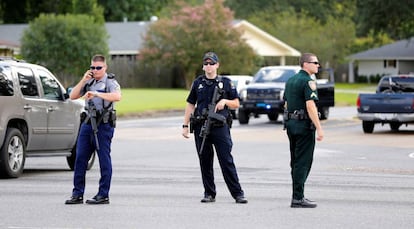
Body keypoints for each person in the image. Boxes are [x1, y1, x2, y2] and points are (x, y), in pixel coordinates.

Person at [182, 52, 247, 204]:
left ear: (217, 65)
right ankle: (209, 193)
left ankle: (238, 193)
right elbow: (190, 103)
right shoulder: (198, 83)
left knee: (226, 160)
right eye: (206, 64)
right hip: (201, 126)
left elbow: (237, 103)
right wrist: (185, 125)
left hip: (219, 127)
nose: (209, 66)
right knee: (205, 160)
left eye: (212, 63)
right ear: (203, 66)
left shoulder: (226, 82)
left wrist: (225, 101)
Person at [65, 54, 121, 205]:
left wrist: (97, 94)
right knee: (80, 159)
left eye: (98, 68)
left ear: (105, 67)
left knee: (104, 160)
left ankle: (103, 195)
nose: (95, 70)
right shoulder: (88, 81)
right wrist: (84, 80)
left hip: (103, 124)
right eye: (93, 67)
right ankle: (77, 194)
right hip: (88, 123)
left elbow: (117, 96)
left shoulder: (110, 81)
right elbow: (72, 95)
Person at [283, 53, 324, 208]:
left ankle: (297, 195)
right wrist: (319, 128)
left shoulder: (291, 80)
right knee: (303, 162)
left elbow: (286, 103)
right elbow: (310, 106)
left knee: (295, 161)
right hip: (304, 126)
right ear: (305, 64)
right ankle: (298, 197)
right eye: (315, 62)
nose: (318, 65)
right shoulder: (308, 81)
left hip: (291, 125)